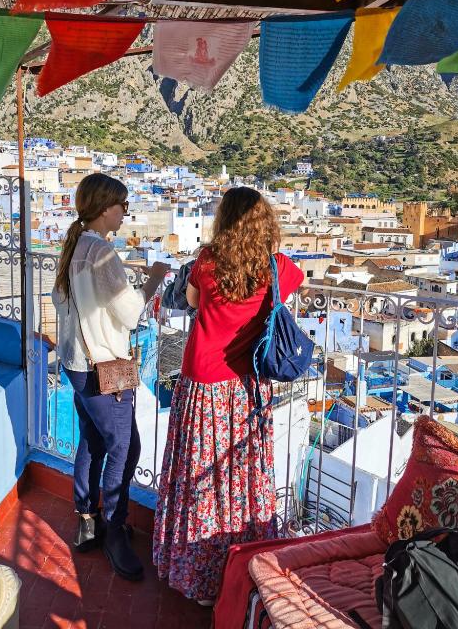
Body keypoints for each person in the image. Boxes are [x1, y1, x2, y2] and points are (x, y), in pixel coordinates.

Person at [153, 187, 304, 603]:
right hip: (246, 387)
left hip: (202, 383)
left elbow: (190, 301)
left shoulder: (207, 263)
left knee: (198, 477)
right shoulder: (277, 269)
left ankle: (196, 574)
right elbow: (294, 282)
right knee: (237, 475)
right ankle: (238, 566)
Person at [53, 173, 168, 582]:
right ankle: (115, 528)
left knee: (93, 440)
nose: (125, 213)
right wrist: (154, 278)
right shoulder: (101, 253)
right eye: (122, 206)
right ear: (106, 208)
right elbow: (131, 312)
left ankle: (87, 520)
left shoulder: (73, 247)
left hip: (75, 365)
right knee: (125, 449)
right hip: (105, 369)